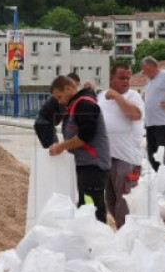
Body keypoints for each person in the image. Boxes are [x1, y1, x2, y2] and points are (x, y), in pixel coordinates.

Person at [48, 75, 112, 224]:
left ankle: (98, 241)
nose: (60, 102)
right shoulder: (75, 105)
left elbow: (85, 137)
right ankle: (89, 241)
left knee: (93, 208)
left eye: (59, 97)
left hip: (93, 166)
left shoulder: (84, 105)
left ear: (69, 88)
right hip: (85, 165)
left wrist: (61, 147)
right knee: (85, 207)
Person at [98, 63, 145, 229]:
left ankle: (125, 235)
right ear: (111, 78)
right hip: (106, 157)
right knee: (110, 200)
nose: (125, 81)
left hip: (127, 159)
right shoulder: (101, 96)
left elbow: (133, 115)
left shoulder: (134, 96)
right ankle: (121, 231)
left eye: (128, 78)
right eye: (121, 78)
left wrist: (117, 97)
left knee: (124, 201)